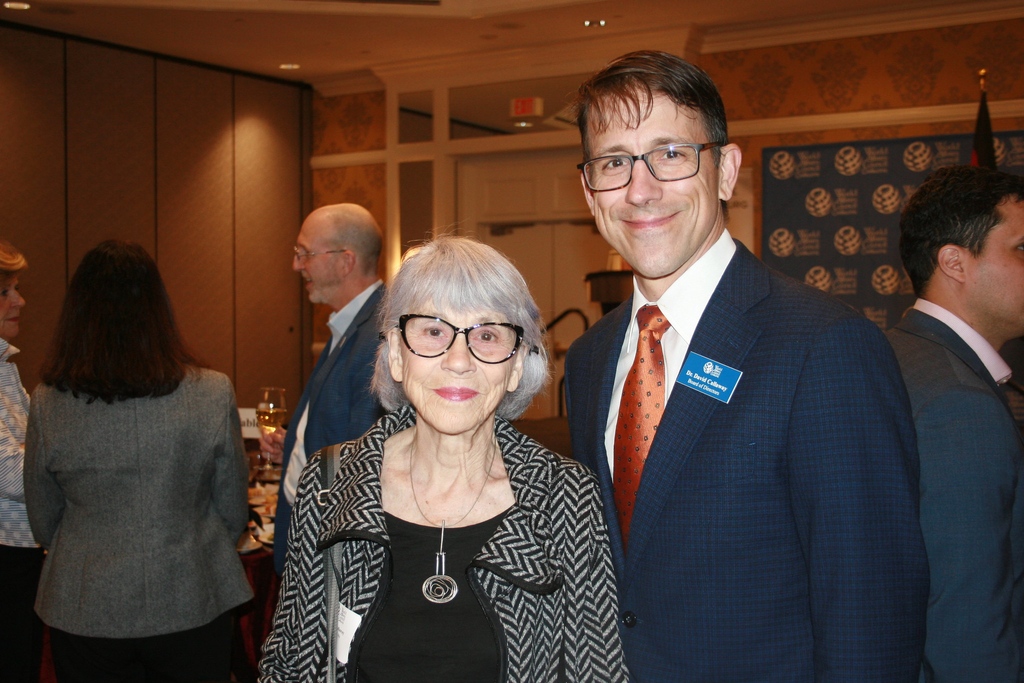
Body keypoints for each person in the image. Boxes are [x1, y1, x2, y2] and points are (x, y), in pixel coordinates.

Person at [563, 50, 929, 681]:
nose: (640, 189)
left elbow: (871, 607)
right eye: (614, 162)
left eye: (671, 154)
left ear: (726, 170)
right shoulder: (589, 358)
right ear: (589, 190)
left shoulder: (825, 346)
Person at [260, 236, 628, 682]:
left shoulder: (567, 498)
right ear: (396, 355)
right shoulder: (330, 483)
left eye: (487, 335)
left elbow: (598, 673)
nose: (458, 360)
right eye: (433, 331)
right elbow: (290, 665)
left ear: (515, 366)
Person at [24, 240, 252, 683]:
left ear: (77, 315)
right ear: (158, 309)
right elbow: (232, 509)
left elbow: (44, 519)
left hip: (86, 601)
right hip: (191, 591)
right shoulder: (212, 391)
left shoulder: (48, 403)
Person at [886, 165, 1024, 682]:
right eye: (1022, 249)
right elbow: (964, 626)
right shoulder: (959, 403)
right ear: (955, 262)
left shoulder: (894, 354)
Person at [266, 202, 386, 574]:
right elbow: (338, 429)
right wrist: (295, 443)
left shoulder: (378, 337)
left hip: (330, 557)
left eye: (305, 253)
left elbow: (365, 467)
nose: (296, 265)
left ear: (345, 261)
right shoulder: (351, 325)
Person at [0, 240, 42, 683]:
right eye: (5, 291)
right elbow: (11, 474)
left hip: (21, 550)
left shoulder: (4, 364)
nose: (20, 301)